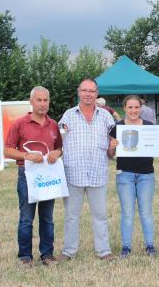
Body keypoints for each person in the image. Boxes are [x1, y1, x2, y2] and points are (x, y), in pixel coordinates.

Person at [4, 86, 63, 267]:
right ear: (31, 101)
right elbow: (7, 151)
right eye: (39, 100)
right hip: (27, 176)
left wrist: (56, 152)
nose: (43, 104)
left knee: (47, 218)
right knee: (26, 218)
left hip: (48, 177)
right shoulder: (20, 124)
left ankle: (47, 254)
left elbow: (59, 148)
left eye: (46, 100)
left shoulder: (53, 125)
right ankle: (25, 257)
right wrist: (26, 155)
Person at [58, 78, 115, 261]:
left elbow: (114, 144)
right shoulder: (68, 115)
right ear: (79, 92)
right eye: (85, 90)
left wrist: (113, 146)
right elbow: (57, 140)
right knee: (71, 216)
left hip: (98, 172)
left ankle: (104, 251)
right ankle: (68, 251)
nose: (88, 94)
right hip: (73, 173)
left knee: (100, 215)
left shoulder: (106, 117)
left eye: (92, 91)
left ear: (97, 93)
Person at [108, 95, 159, 258]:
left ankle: (150, 246)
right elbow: (110, 154)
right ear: (124, 108)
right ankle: (126, 247)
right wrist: (112, 147)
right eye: (130, 107)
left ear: (140, 108)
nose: (133, 110)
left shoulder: (149, 126)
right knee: (127, 212)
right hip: (125, 175)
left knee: (146, 212)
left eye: (136, 107)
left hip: (146, 175)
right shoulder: (117, 127)